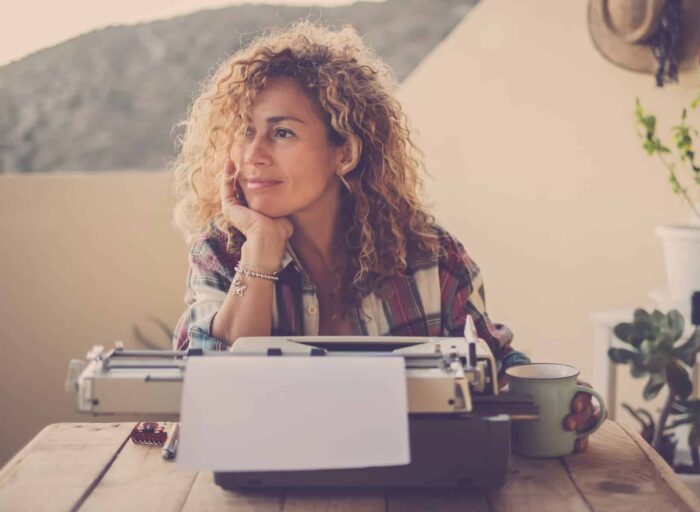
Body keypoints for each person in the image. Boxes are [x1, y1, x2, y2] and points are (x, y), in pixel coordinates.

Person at [171, 21, 597, 452]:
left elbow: (494, 365)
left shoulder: (432, 257)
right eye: (246, 131)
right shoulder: (220, 253)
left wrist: (561, 407)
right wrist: (259, 254)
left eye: (282, 133)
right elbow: (208, 398)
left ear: (346, 153)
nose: (253, 154)